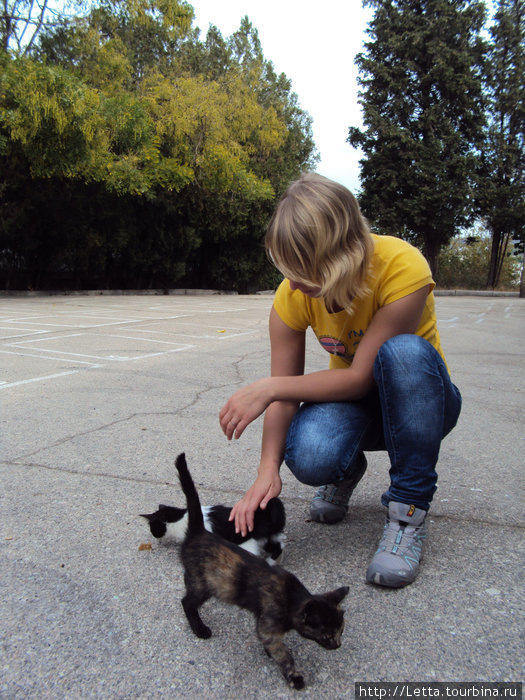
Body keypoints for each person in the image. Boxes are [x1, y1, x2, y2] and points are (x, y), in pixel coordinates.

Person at [219, 173, 462, 588]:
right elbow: (290, 394)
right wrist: (266, 470)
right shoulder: (291, 296)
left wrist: (268, 386)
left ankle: (408, 513)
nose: (293, 284)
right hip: (356, 406)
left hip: (422, 404)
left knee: (403, 353)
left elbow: (357, 377)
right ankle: (344, 471)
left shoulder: (403, 267)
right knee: (311, 453)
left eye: (304, 272)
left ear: (340, 259)